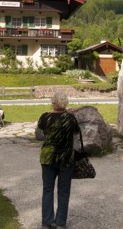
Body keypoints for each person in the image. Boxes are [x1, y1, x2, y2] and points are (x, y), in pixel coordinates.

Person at [38, 92, 80, 229]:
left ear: (53, 103)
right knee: (63, 191)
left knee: (47, 190)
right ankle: (61, 222)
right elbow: (76, 132)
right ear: (65, 104)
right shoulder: (70, 119)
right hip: (65, 158)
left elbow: (40, 131)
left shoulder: (45, 117)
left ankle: (47, 221)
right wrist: (67, 114)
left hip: (48, 157)